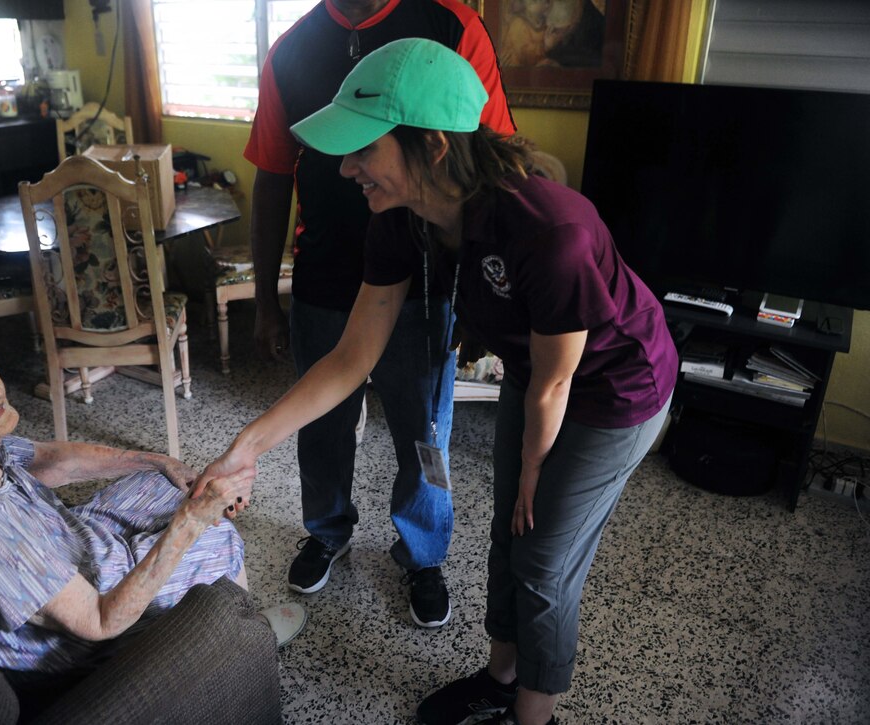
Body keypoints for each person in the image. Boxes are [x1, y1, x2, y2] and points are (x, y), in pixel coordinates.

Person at [196, 39, 677, 725]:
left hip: (615, 390)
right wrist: (249, 443)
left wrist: (534, 471)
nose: (346, 166)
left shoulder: (551, 228)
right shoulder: (401, 219)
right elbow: (350, 357)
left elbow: (557, 381)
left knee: (542, 556)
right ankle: (501, 676)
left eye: (365, 147)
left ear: (434, 146)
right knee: (509, 541)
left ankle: (532, 715)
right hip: (536, 374)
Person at [244, 0, 516, 629]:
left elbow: (490, 161)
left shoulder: (451, 27)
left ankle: (423, 554)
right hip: (327, 278)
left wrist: (477, 300)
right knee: (323, 423)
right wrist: (265, 300)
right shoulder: (292, 48)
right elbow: (270, 176)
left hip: (423, 282)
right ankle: (326, 530)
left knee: (425, 433)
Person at [0, 331, 305, 676]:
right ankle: (238, 645)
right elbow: (98, 621)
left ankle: (220, 616)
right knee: (215, 533)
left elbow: (51, 460)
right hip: (85, 628)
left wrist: (155, 461)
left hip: (68, 545)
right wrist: (191, 523)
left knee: (171, 487)